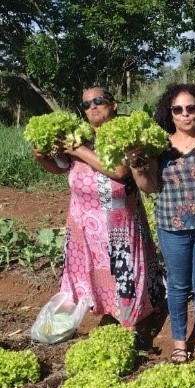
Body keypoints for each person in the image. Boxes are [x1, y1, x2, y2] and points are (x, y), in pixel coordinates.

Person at [31, 86, 164, 341]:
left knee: (124, 273)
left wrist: (78, 150)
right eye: (86, 104)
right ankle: (103, 311)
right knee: (91, 272)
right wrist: (40, 156)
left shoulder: (126, 133)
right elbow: (58, 167)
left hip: (118, 223)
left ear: (113, 104)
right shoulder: (80, 135)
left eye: (99, 100)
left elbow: (120, 171)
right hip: (82, 221)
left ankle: (130, 324)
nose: (92, 106)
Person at [128, 84, 195, 363]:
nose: (185, 114)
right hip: (172, 227)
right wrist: (136, 166)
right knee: (179, 286)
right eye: (177, 109)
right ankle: (180, 340)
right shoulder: (159, 146)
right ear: (169, 113)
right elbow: (151, 186)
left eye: (190, 108)